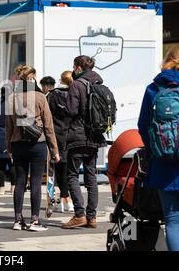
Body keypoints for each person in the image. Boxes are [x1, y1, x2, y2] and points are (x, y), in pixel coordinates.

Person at [138, 46, 179, 251]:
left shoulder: (153, 89)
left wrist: (154, 149)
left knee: (173, 219)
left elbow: (143, 125)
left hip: (163, 162)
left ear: (166, 61)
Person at [6, 65, 60, 232]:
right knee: (36, 181)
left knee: (19, 182)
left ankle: (17, 220)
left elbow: (9, 126)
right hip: (38, 143)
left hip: (18, 144)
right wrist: (54, 150)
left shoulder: (11, 97)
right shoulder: (40, 97)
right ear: (31, 79)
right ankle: (35, 220)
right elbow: (49, 125)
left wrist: (9, 147)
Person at [62, 56, 106, 229]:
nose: (73, 69)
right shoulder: (99, 84)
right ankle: (92, 217)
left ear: (79, 68)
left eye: (74, 66)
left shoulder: (76, 84)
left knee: (72, 175)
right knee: (91, 177)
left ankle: (79, 214)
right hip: (95, 137)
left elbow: (72, 110)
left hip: (78, 136)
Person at [47, 71, 75, 213]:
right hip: (72, 135)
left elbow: (48, 116)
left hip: (56, 135)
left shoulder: (52, 95)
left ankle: (64, 198)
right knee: (69, 169)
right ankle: (68, 199)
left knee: (59, 168)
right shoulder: (75, 93)